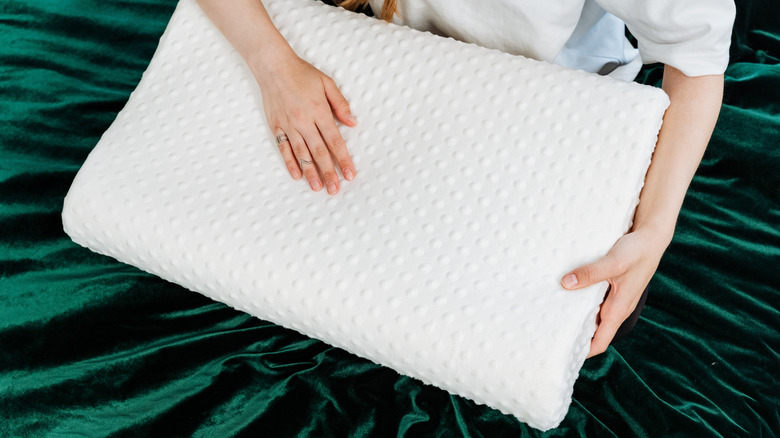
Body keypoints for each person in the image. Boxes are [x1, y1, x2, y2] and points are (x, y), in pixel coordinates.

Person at [195, 0, 736, 358]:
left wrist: (655, 227)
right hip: (378, 47)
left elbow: (695, 56)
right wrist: (273, 65)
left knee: (557, 321)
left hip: (547, 102)